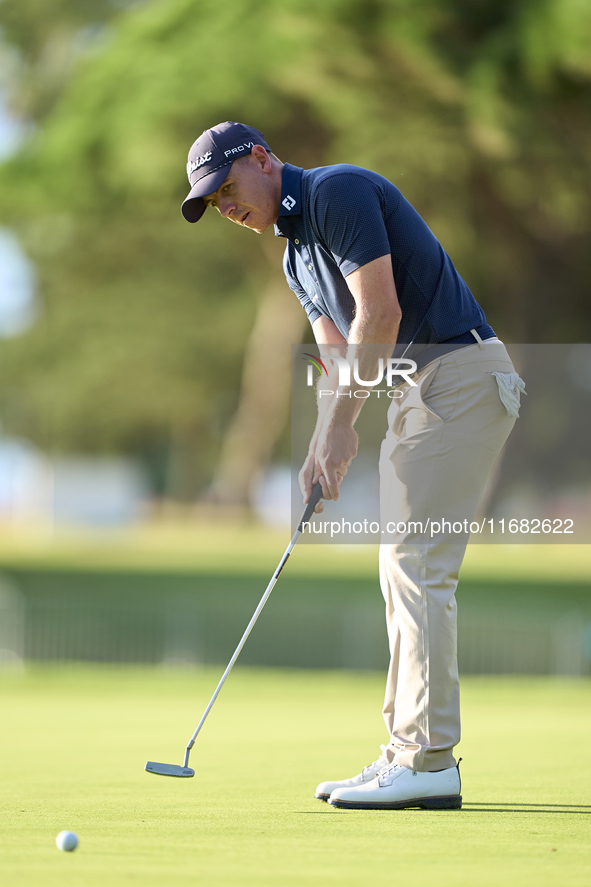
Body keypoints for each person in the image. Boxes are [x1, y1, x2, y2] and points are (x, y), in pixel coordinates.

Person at [181, 120, 524, 810]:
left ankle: (427, 757)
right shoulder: (292, 256)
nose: (227, 208)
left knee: (412, 561)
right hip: (417, 391)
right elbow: (338, 355)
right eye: (213, 204)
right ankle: (405, 751)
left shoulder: (335, 192)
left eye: (226, 189)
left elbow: (380, 313)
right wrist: (321, 443)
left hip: (459, 374)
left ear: (262, 159)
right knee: (399, 563)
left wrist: (341, 426)